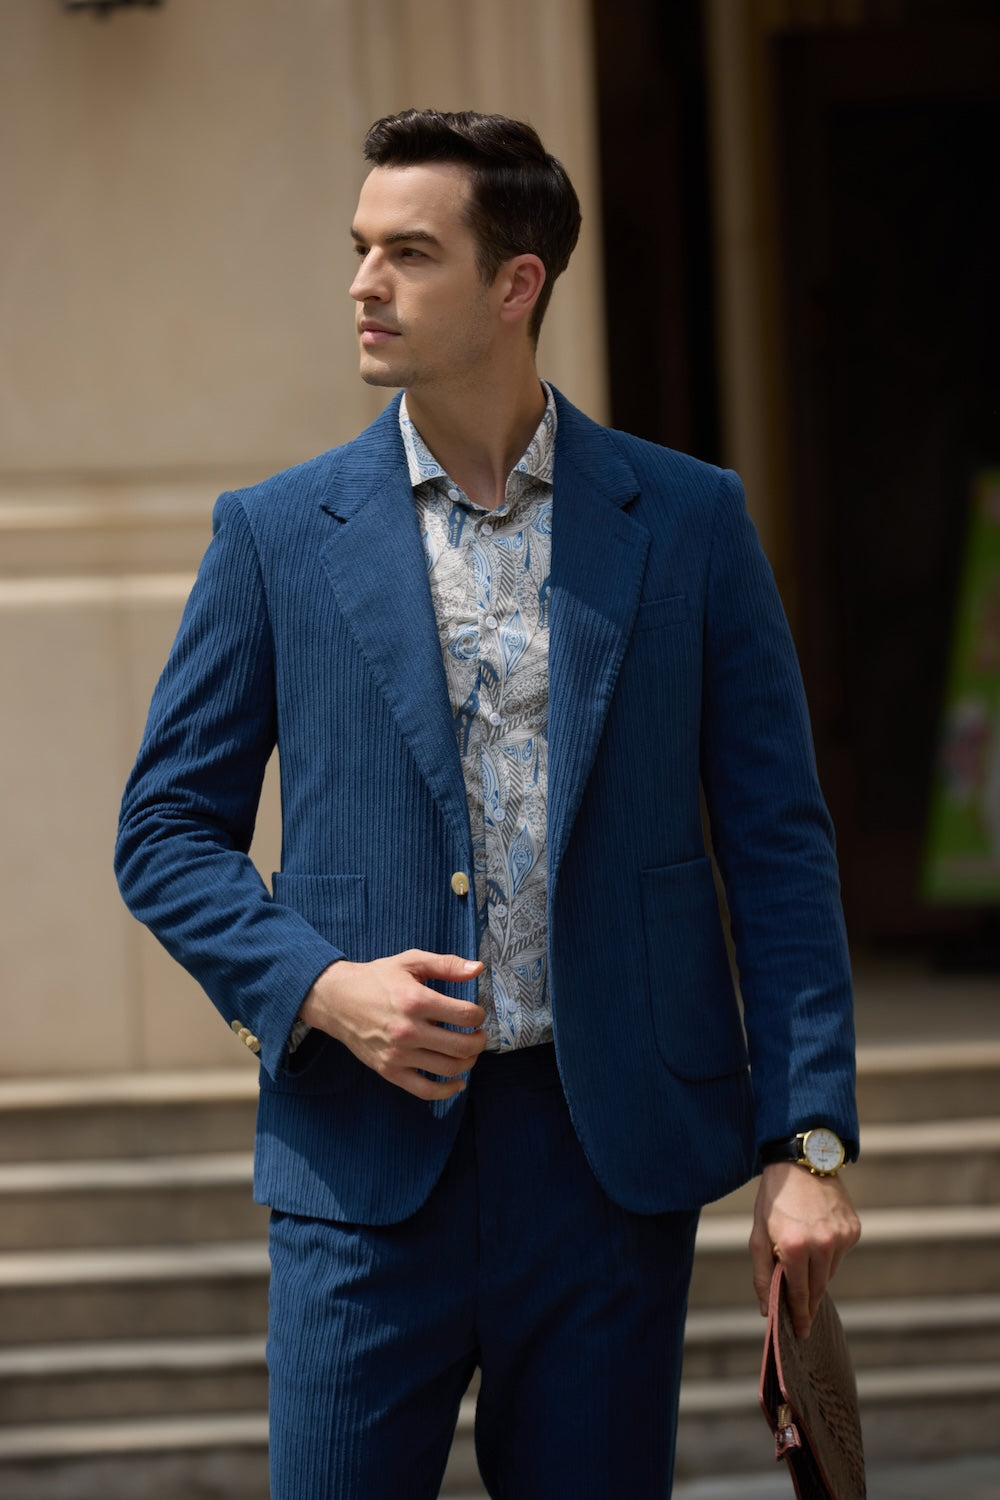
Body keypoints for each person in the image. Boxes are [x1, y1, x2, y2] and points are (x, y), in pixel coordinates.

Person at [115, 108, 861, 1499]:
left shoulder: (690, 523)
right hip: (359, 1167)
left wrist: (806, 1142)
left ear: (516, 285)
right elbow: (163, 831)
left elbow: (776, 848)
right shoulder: (275, 536)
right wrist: (323, 986)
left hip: (603, 1168)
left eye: (410, 251)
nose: (364, 283)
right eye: (359, 249)